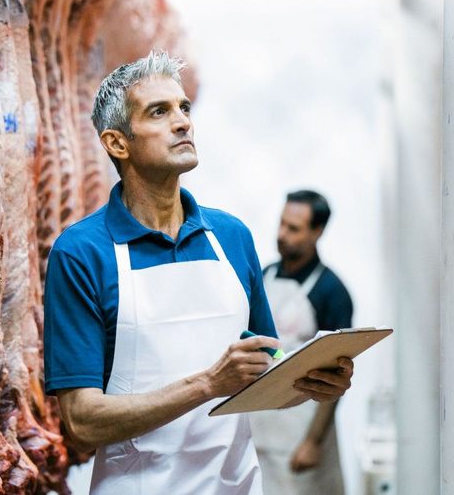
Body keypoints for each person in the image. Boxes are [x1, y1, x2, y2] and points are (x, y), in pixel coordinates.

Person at [42, 50, 355, 495]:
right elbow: (82, 422)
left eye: (184, 108)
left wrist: (312, 381)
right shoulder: (81, 252)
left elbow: (268, 364)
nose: (183, 121)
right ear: (117, 143)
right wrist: (207, 384)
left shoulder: (230, 235)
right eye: (159, 111)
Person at [249, 190, 354, 494]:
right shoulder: (264, 276)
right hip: (260, 429)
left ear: (317, 232)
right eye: (281, 224)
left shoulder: (332, 291)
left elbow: (337, 376)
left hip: (302, 433)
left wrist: (312, 442)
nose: (282, 235)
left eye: (293, 229)